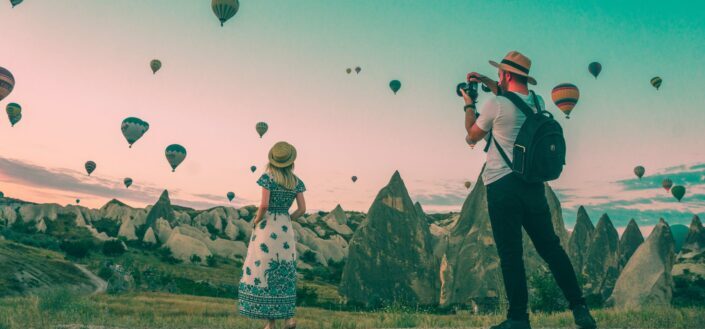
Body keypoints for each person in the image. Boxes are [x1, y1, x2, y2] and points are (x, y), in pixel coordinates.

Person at [461, 51, 597, 329]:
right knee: (551, 248)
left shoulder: (494, 105)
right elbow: (512, 96)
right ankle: (579, 307)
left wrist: (468, 105)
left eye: (500, 73)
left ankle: (519, 319)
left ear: (507, 75)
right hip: (534, 186)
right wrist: (486, 79)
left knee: (511, 254)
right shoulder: (538, 102)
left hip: (502, 186)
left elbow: (471, 137)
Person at [238, 141, 306, 329]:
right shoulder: (296, 181)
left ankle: (271, 323)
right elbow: (302, 209)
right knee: (285, 270)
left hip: (267, 228)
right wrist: (288, 218)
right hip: (285, 228)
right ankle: (289, 318)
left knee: (265, 268)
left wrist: (256, 220)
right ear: (291, 161)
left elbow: (264, 205)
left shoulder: (268, 177)